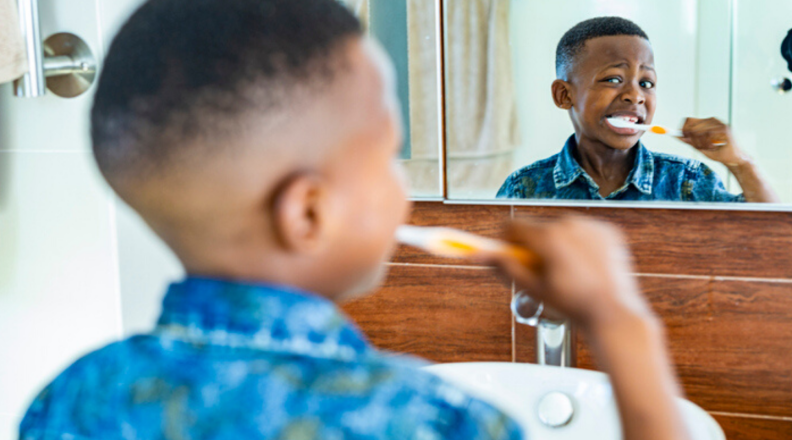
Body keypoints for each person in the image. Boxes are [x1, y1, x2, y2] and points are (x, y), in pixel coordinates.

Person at [19, 2, 689, 440]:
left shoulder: (71, 399)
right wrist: (621, 324)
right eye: (386, 154)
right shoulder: (426, 420)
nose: (402, 182)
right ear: (307, 212)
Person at [497, 17, 778, 203]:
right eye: (613, 79)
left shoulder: (686, 183)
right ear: (563, 95)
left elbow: (772, 242)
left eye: (646, 83)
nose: (635, 95)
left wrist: (741, 164)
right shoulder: (525, 189)